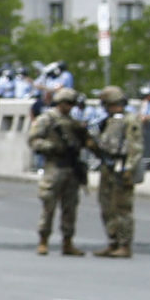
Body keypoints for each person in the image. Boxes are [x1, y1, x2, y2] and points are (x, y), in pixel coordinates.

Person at [29, 86, 89, 256]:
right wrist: (52, 147)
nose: (70, 107)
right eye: (67, 103)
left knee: (70, 207)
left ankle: (68, 241)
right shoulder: (47, 120)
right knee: (49, 205)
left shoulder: (73, 122)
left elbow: (85, 142)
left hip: (71, 167)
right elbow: (33, 141)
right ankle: (43, 240)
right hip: (54, 166)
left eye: (72, 104)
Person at [92, 86, 141, 258]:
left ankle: (124, 244)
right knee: (106, 205)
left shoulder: (130, 120)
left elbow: (135, 147)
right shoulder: (109, 120)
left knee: (122, 207)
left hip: (121, 167)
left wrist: (129, 168)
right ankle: (112, 241)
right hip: (108, 166)